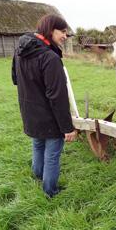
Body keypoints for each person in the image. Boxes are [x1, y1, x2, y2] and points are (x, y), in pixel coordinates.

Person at [12, 14, 77, 198]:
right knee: (52, 154)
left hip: (29, 112)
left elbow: (15, 79)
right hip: (49, 116)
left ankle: (38, 176)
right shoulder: (50, 58)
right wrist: (67, 127)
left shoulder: (20, 50)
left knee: (38, 145)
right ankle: (50, 191)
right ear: (50, 30)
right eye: (62, 31)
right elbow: (57, 97)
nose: (65, 36)